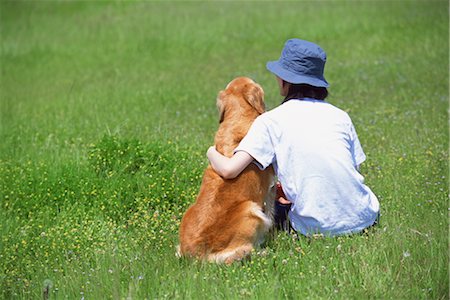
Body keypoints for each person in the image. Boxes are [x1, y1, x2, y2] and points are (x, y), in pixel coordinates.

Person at [207, 38, 380, 236]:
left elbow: (229, 170)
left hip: (315, 229)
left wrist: (210, 151)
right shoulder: (341, 115)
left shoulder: (271, 121)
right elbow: (350, 171)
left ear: (285, 80)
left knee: (271, 207)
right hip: (365, 219)